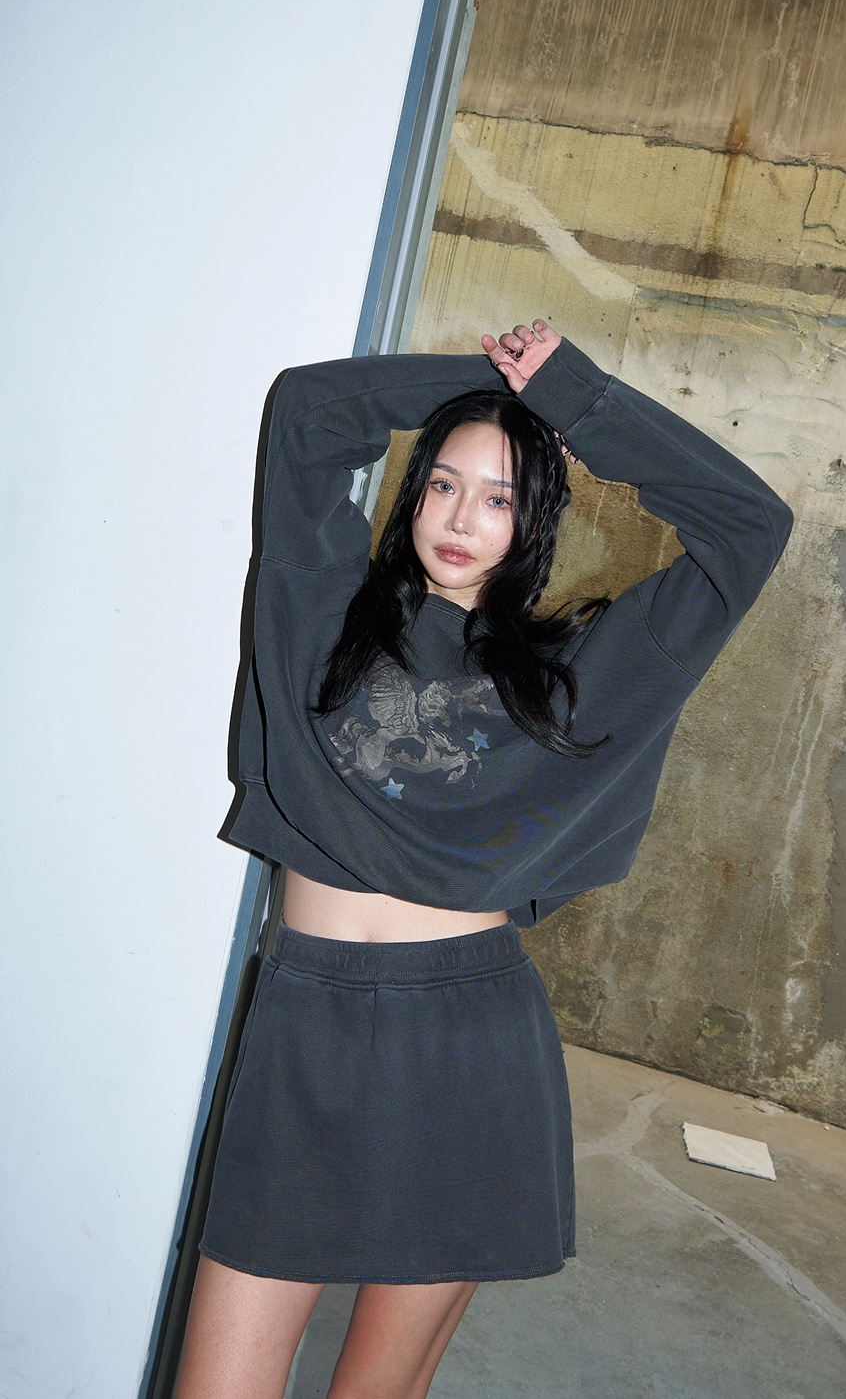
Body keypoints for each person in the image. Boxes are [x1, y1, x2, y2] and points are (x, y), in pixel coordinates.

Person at [177, 320, 793, 1399]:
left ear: (535, 519)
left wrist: (574, 400)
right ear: (411, 494)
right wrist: (499, 381)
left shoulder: (572, 677)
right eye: (443, 485)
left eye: (501, 497)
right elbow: (309, 412)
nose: (462, 519)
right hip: (304, 1027)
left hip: (467, 1046)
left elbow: (750, 527)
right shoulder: (315, 610)